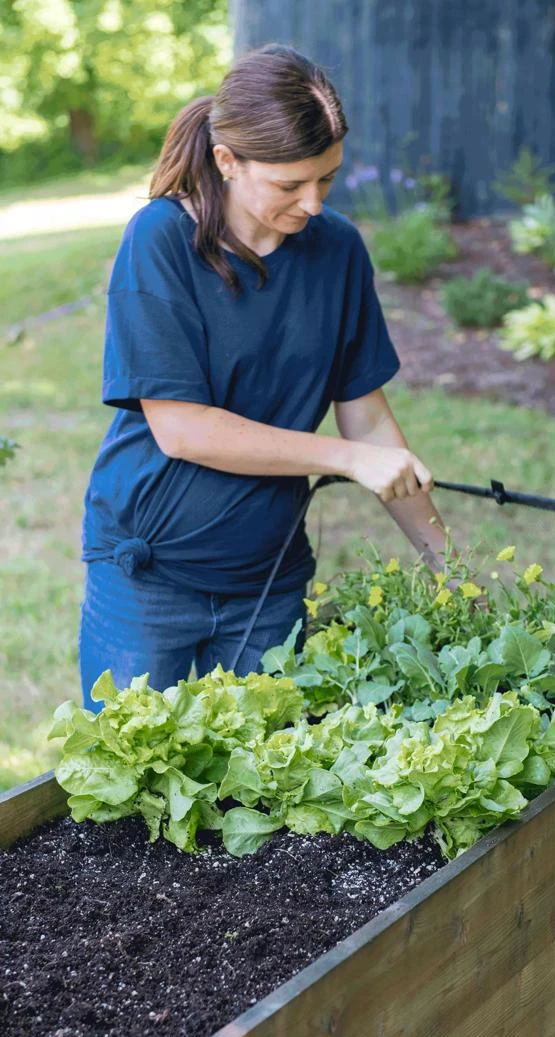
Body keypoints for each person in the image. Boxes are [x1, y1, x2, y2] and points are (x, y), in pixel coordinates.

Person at [78, 43, 451, 709]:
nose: (313, 203)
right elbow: (184, 430)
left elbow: (366, 416)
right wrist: (347, 459)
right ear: (228, 161)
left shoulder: (337, 251)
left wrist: (449, 566)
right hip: (150, 574)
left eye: (327, 179)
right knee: (126, 767)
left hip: (269, 578)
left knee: (265, 772)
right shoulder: (161, 240)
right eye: (289, 185)